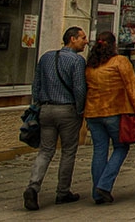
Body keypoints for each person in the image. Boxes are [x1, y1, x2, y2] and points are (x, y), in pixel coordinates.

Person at [23, 26, 88, 211]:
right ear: (72, 39)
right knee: (68, 151)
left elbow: (36, 85)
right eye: (82, 38)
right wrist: (80, 110)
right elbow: (79, 89)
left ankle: (33, 186)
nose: (85, 41)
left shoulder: (46, 57)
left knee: (45, 150)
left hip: (46, 109)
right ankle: (62, 192)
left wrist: (37, 105)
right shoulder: (77, 61)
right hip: (67, 110)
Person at [84, 31, 135, 204]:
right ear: (113, 45)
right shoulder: (120, 62)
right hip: (115, 111)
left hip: (93, 112)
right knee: (121, 147)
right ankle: (104, 185)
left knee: (99, 151)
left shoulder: (91, 65)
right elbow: (132, 86)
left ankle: (97, 193)